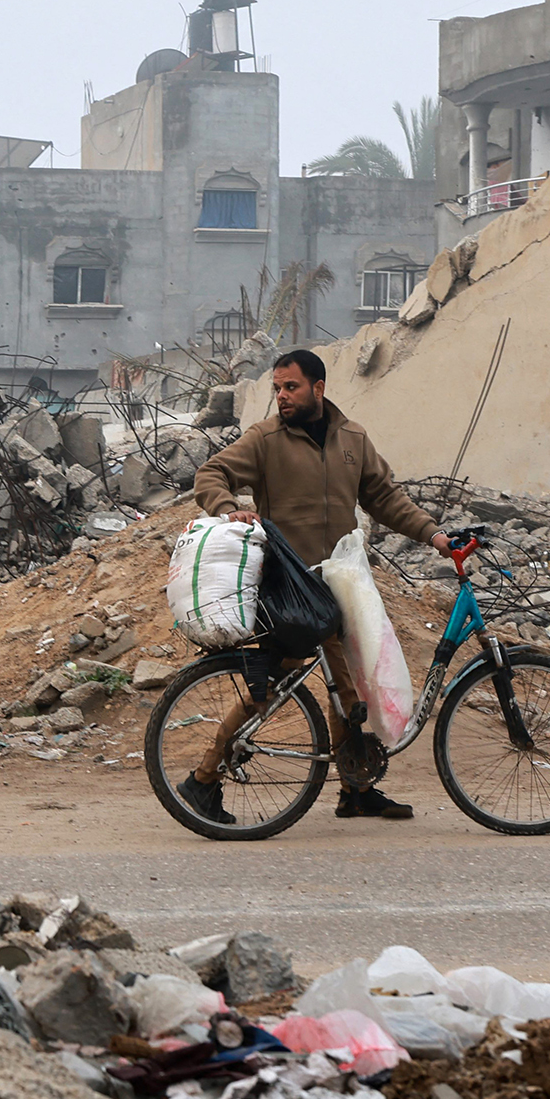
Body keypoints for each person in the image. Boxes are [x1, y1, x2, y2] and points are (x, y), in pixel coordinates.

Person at [187, 348, 451, 824]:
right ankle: (203, 780)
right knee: (271, 688)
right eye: (277, 389)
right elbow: (212, 473)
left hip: (339, 583)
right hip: (289, 588)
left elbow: (384, 497)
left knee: (345, 690)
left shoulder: (352, 437)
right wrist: (229, 509)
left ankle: (355, 790)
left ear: (319, 388)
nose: (282, 397)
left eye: (291, 387)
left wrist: (434, 535)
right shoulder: (265, 438)